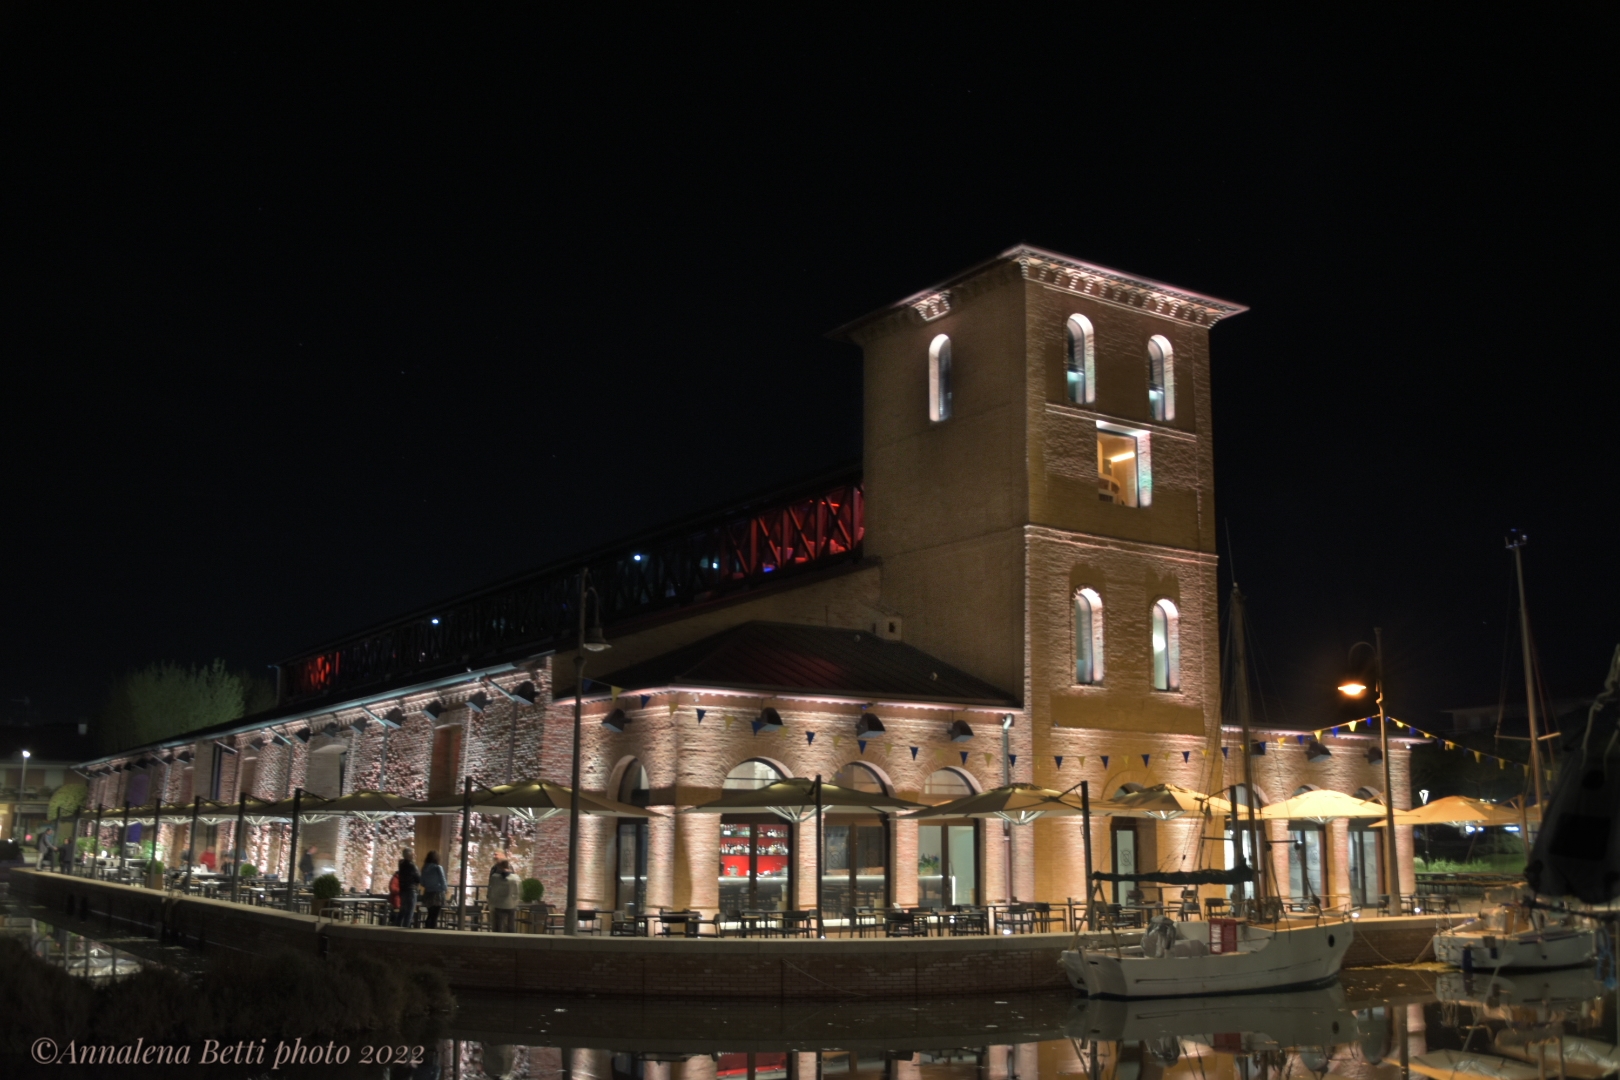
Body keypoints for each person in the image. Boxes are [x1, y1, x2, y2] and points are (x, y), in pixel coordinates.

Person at [487, 858, 518, 933]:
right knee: (511, 925)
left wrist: (490, 900)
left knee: (498, 925)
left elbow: (491, 889)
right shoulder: (514, 878)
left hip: (499, 904)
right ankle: (511, 942)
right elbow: (517, 891)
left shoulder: (495, 877)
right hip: (510, 904)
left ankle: (497, 941)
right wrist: (515, 901)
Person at [420, 851, 447, 929]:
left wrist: (429, 885)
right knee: (435, 915)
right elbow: (442, 880)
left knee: (430, 913)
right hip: (437, 893)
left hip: (428, 893)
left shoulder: (424, 868)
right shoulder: (438, 867)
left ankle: (427, 929)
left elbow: (422, 882)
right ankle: (433, 931)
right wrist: (444, 888)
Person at [396, 848, 421, 928]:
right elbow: (418, 878)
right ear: (409, 855)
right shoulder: (412, 866)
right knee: (409, 912)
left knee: (403, 910)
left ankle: (396, 927)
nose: (415, 855)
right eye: (413, 854)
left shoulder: (401, 865)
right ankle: (405, 929)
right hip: (411, 890)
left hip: (403, 890)